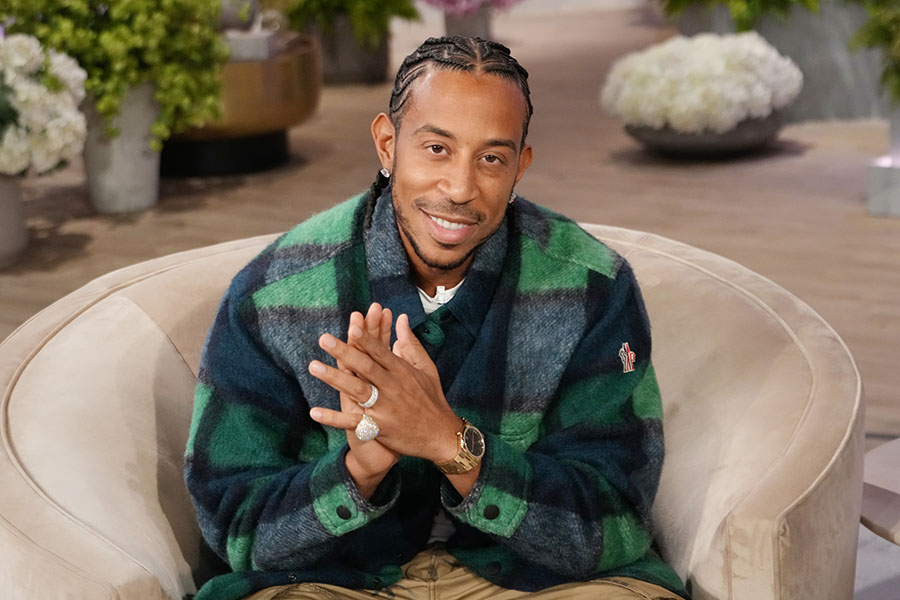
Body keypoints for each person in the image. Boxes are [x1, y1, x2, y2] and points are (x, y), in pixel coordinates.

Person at [184, 36, 688, 600]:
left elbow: (617, 521)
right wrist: (358, 471)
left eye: (491, 158)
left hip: (534, 584)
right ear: (387, 144)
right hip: (337, 582)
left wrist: (453, 444)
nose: (460, 189)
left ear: (520, 167)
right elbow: (236, 530)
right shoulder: (273, 292)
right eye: (436, 148)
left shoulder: (594, 286)